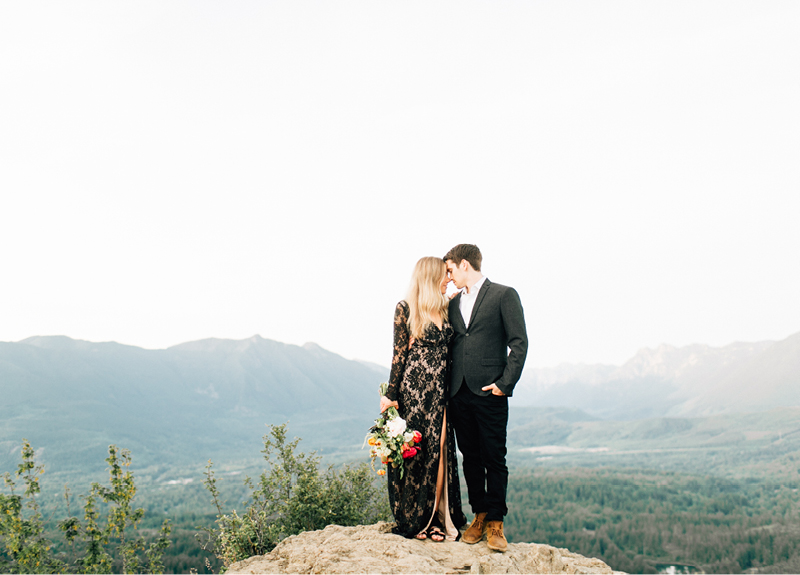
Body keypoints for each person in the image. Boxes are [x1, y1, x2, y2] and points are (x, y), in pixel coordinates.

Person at [444, 244, 528, 552]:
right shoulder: (452, 303)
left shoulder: (504, 295)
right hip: (458, 392)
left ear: (465, 264)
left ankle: (495, 522)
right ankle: (478, 514)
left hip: (490, 391)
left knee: (495, 457)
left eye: (451, 269)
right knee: (470, 457)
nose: (449, 277)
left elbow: (519, 342)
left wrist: (505, 384)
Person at [380, 257, 468, 541]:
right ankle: (416, 520)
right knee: (417, 454)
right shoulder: (405, 308)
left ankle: (438, 520)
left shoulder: (446, 307)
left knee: (440, 452)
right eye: (444, 275)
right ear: (430, 277)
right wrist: (389, 395)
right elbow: (398, 356)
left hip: (441, 394)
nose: (448, 279)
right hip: (414, 394)